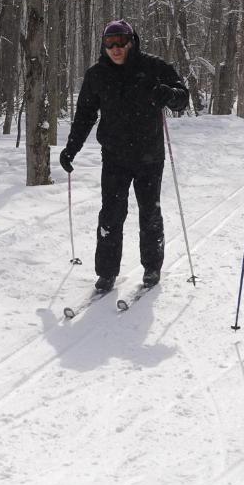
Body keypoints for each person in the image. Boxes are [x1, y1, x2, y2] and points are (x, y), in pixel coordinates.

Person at [59, 19, 190, 293]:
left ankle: (152, 268)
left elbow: (182, 99)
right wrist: (71, 148)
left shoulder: (154, 68)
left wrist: (164, 93)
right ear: (104, 46)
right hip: (115, 156)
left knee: (149, 212)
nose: (116, 48)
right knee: (111, 214)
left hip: (149, 156)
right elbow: (85, 114)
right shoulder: (97, 74)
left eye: (121, 42)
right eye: (110, 43)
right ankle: (106, 273)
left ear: (132, 42)